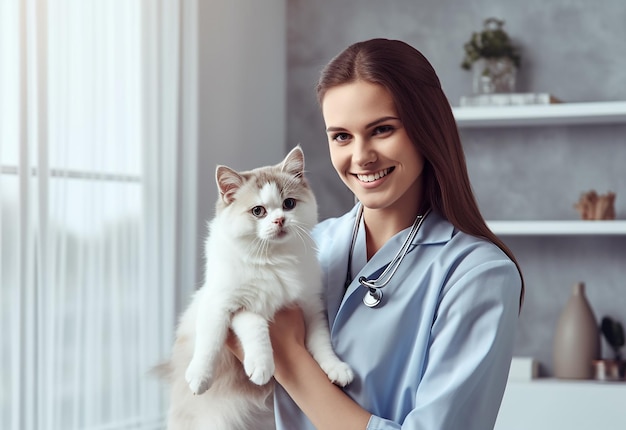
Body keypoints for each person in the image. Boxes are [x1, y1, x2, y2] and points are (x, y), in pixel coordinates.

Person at [234, 38, 524, 430]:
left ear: (427, 128)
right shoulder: (310, 245)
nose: (361, 157)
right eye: (341, 136)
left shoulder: (479, 274)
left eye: (382, 129)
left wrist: (290, 358)